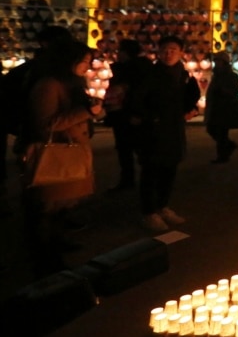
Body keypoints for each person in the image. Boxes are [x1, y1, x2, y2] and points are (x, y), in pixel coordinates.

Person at [24, 40, 101, 275]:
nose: (86, 67)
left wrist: (95, 110)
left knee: (61, 208)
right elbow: (46, 125)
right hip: (55, 155)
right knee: (47, 209)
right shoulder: (49, 86)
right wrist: (85, 112)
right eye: (84, 62)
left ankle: (57, 245)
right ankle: (45, 261)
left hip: (71, 152)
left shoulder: (71, 84)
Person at [132, 35, 200, 231]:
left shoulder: (183, 75)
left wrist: (190, 109)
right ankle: (149, 212)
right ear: (159, 53)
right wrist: (151, 117)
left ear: (181, 53)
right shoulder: (149, 75)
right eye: (165, 50)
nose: (168, 53)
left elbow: (188, 98)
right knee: (151, 171)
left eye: (173, 50)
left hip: (174, 129)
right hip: (153, 130)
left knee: (169, 169)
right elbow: (138, 100)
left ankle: (163, 206)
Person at [103, 38, 152, 190]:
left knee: (130, 149)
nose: (117, 54)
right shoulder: (133, 68)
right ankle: (133, 180)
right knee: (129, 149)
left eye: (120, 51)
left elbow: (139, 93)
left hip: (127, 113)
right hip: (124, 113)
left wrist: (137, 112)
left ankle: (133, 180)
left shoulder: (133, 70)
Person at [204, 52, 238, 164]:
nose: (216, 63)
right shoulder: (216, 74)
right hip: (215, 107)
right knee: (213, 130)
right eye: (215, 61)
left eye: (218, 61)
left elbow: (236, 90)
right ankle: (229, 147)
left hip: (224, 108)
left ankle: (223, 156)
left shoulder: (231, 75)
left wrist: (224, 91)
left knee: (221, 132)